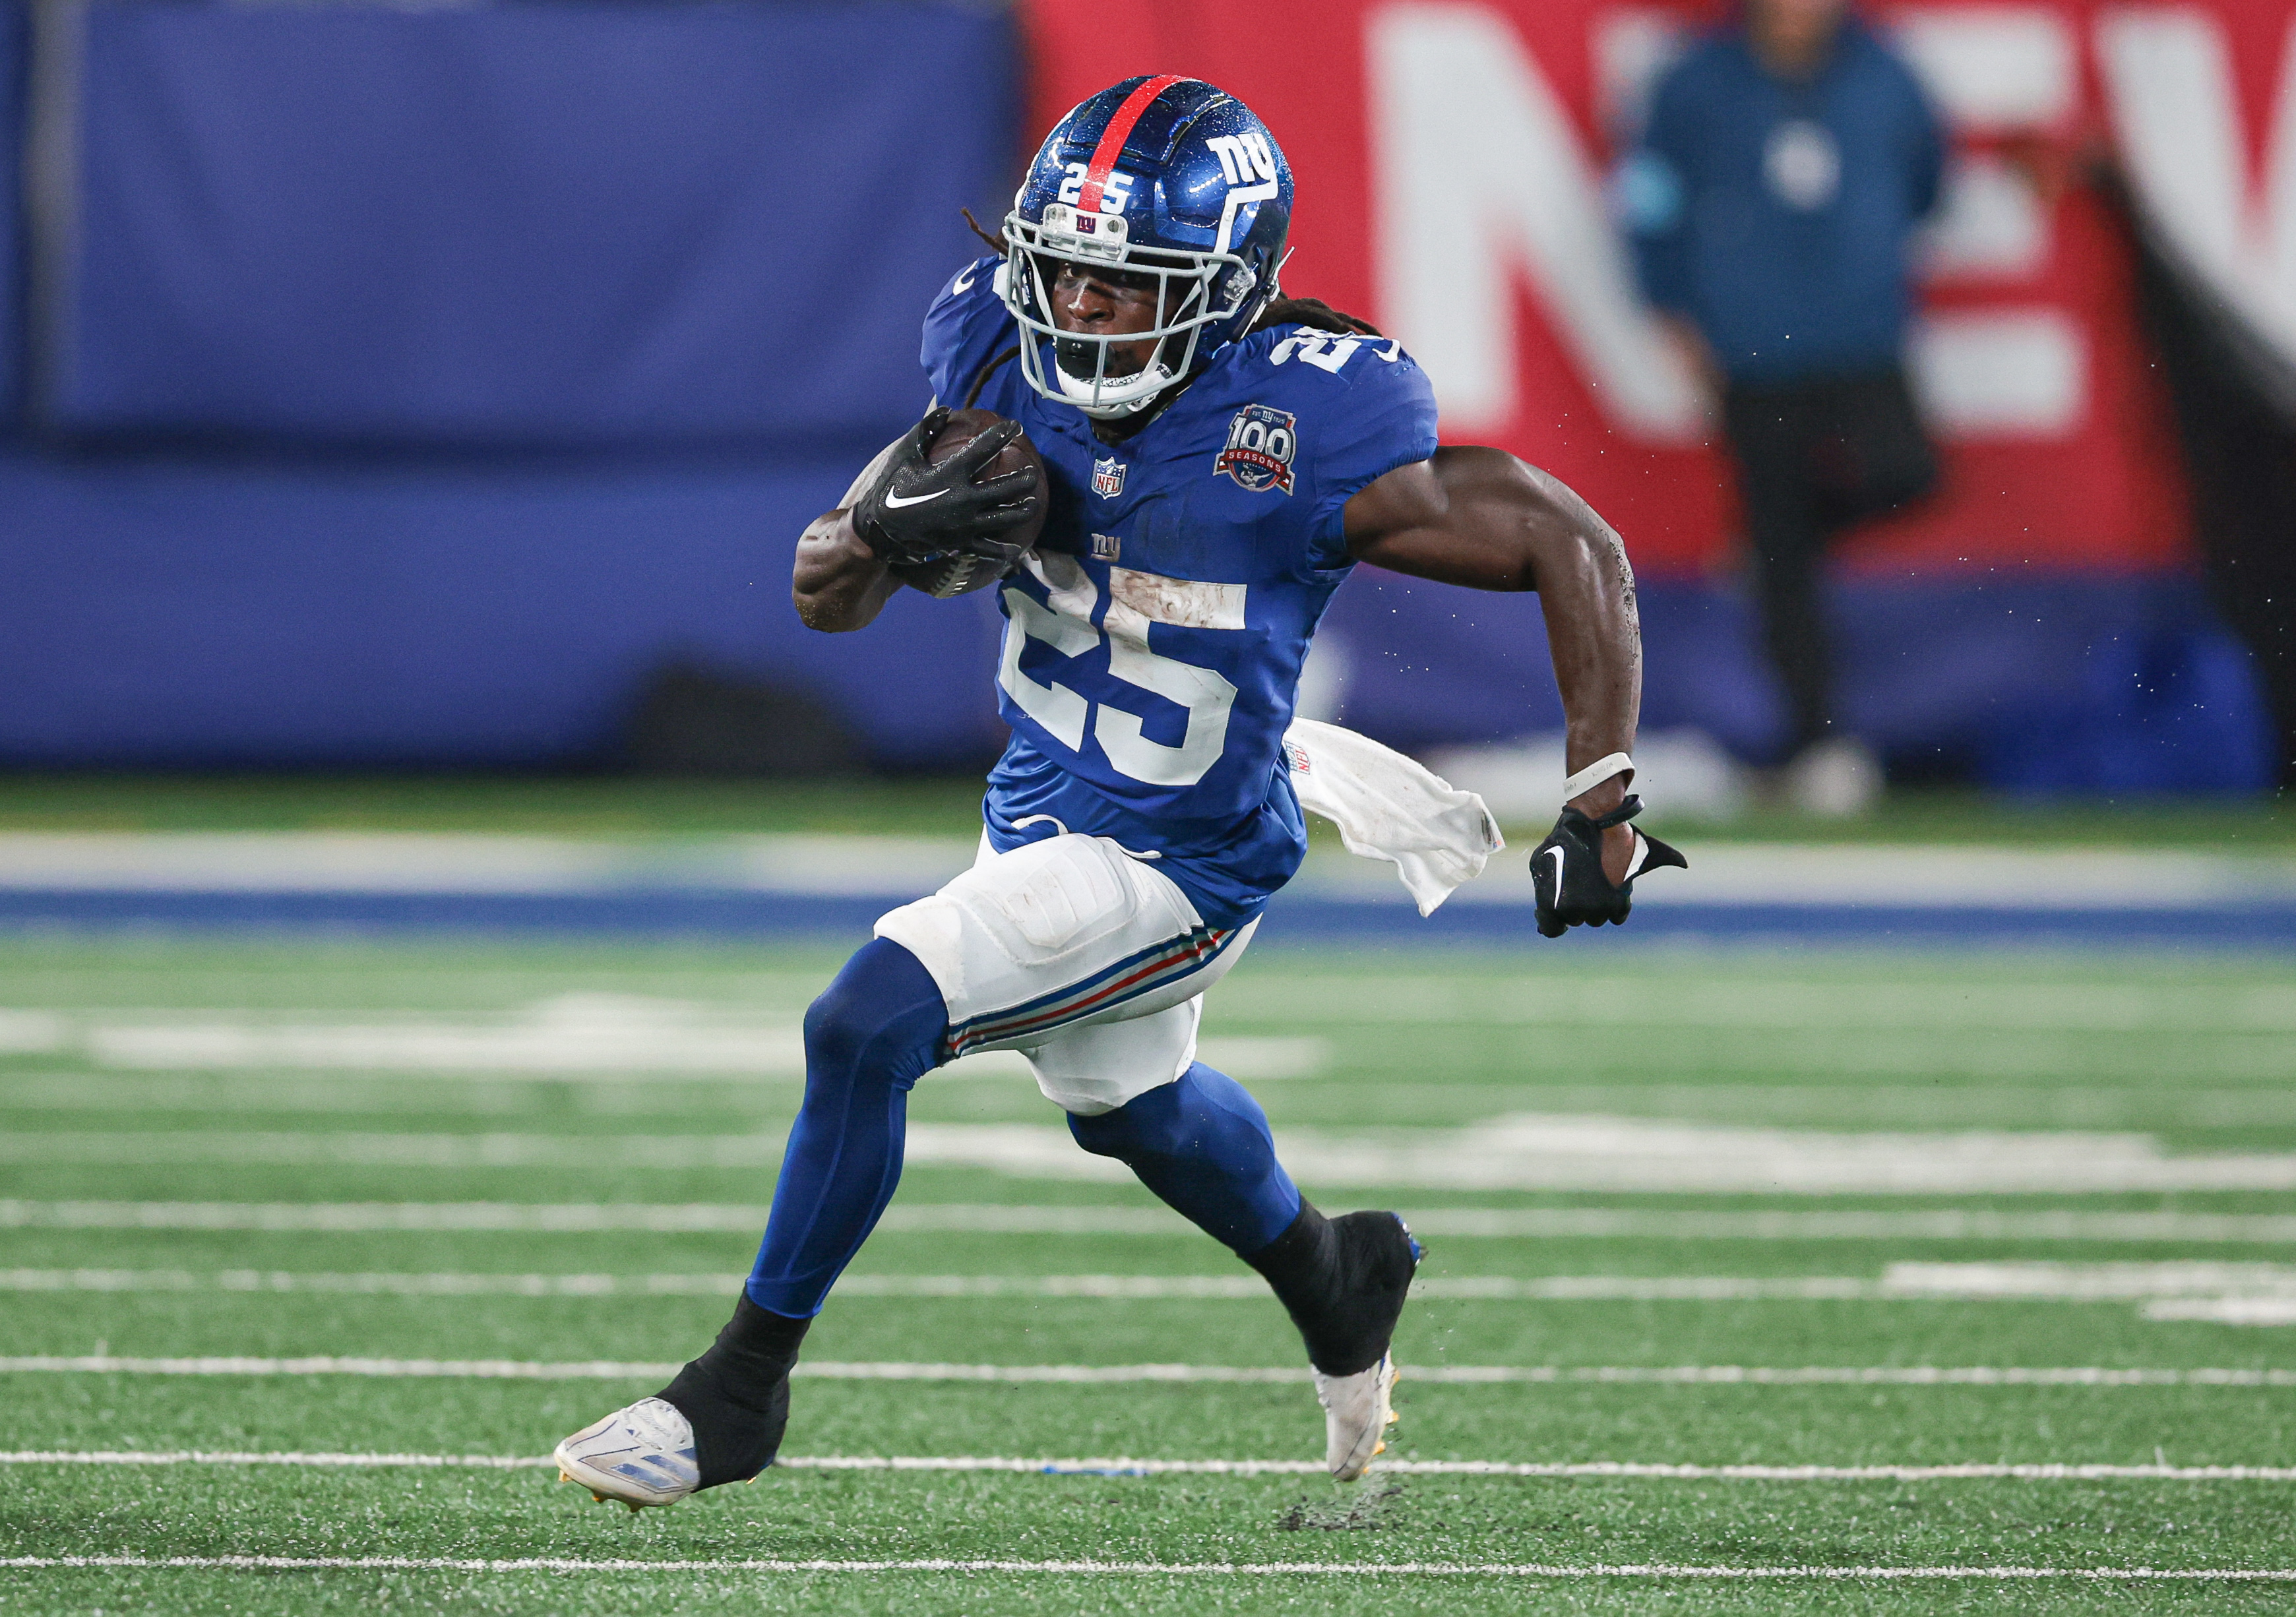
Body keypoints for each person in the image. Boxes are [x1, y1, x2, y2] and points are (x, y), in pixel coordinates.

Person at [553, 75, 1681, 1510]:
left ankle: (737, 1388)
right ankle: (1334, 1272)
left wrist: (1599, 796)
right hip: (1036, 804)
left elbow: (1566, 542)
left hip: (1184, 851)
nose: (1081, 312)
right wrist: (876, 529)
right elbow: (820, 596)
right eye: (1064, 275)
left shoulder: (1303, 414)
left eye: (1125, 286)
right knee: (1126, 1103)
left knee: (865, 1017)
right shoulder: (987, 345)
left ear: (1223, 293)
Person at [1621, 0, 1945, 814]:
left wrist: (1867, 253)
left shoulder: (1883, 73)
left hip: (1861, 338)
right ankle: (1817, 743)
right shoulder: (1696, 83)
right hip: (1752, 348)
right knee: (1785, 564)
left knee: (1905, 474)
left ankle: (1777, 549)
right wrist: (1669, 307)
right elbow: (1650, 197)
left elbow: (1926, 179)